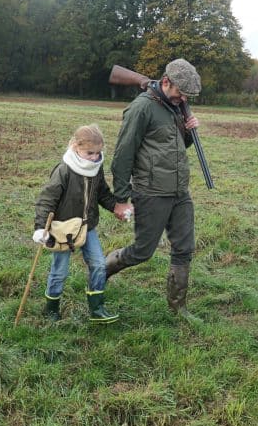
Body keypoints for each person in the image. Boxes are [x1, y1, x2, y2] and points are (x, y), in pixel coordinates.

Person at [105, 58, 203, 323]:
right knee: (142, 252)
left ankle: (178, 309)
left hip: (179, 191)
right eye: (180, 92)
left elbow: (176, 145)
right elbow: (123, 155)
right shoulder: (141, 108)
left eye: (187, 95)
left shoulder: (176, 105)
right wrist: (121, 199)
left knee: (184, 249)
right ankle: (100, 271)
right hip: (151, 192)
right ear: (166, 81)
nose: (184, 98)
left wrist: (189, 130)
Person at [33, 124, 128, 324]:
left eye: (98, 153)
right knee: (60, 271)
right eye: (90, 153)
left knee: (99, 265)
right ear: (76, 147)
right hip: (62, 229)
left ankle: (97, 308)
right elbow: (46, 200)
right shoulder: (64, 170)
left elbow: (102, 193)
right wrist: (41, 228)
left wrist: (117, 208)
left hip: (88, 227)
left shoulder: (96, 167)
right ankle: (51, 310)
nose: (95, 157)